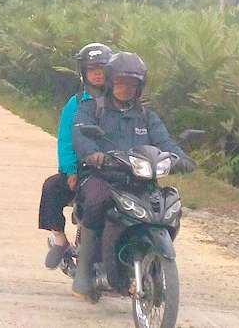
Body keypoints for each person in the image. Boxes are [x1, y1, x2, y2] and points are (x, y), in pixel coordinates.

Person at [70, 52, 196, 301]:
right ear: (109, 82)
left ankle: (151, 258)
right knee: (97, 200)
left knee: (165, 207)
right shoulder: (92, 109)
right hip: (101, 176)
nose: (126, 88)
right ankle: (84, 272)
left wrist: (182, 159)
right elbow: (80, 136)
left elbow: (165, 142)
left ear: (140, 87)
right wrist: (94, 155)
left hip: (140, 180)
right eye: (120, 82)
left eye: (132, 84)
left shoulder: (147, 117)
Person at [38, 43, 113, 269]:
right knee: (51, 187)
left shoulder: (120, 100)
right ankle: (59, 240)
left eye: (103, 69)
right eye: (93, 69)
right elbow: (65, 139)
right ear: (84, 73)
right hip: (83, 168)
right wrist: (70, 170)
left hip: (116, 168)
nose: (98, 74)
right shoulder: (77, 102)